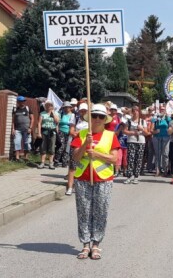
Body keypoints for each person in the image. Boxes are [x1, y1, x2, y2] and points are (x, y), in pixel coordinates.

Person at [71, 103, 120, 260]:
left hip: (103, 179)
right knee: (84, 211)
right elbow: (75, 157)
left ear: (105, 119)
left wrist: (97, 155)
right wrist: (86, 143)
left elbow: (114, 159)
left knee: (100, 211)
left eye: (101, 116)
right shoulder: (82, 134)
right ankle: (85, 244)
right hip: (83, 178)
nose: (97, 119)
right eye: (94, 116)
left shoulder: (111, 135)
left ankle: (96, 244)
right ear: (89, 118)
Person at [66, 103, 88, 196]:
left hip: (86, 144)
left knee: (84, 165)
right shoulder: (75, 118)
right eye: (81, 110)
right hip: (76, 143)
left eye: (84, 111)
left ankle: (82, 185)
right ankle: (70, 187)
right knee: (73, 166)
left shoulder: (91, 120)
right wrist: (79, 132)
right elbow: (71, 131)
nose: (82, 112)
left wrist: (80, 132)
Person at [123, 106, 149, 184]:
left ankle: (136, 176)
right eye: (134, 110)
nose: (135, 112)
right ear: (132, 112)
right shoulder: (129, 121)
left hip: (141, 142)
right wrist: (132, 133)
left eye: (137, 111)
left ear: (139, 112)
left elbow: (147, 133)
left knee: (138, 159)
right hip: (131, 141)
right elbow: (124, 131)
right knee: (130, 159)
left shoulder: (142, 121)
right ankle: (129, 176)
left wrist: (142, 129)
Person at [37, 100, 60, 169]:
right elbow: (39, 123)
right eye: (47, 105)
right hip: (44, 131)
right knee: (43, 147)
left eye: (50, 105)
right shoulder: (42, 113)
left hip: (52, 132)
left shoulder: (56, 113)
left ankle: (51, 163)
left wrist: (53, 113)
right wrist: (39, 133)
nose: (48, 106)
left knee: (52, 147)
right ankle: (42, 162)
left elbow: (57, 121)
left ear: (52, 106)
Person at [150, 105, 171, 177]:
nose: (162, 111)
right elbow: (151, 129)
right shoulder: (155, 118)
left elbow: (170, 127)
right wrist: (155, 131)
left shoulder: (168, 118)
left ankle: (165, 170)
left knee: (165, 154)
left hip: (166, 137)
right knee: (157, 154)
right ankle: (157, 170)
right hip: (157, 138)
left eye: (163, 109)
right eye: (161, 109)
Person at [12, 96, 34, 161]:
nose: (23, 102)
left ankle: (26, 158)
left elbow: (32, 119)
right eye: (21, 101)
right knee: (17, 143)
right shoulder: (15, 109)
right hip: (17, 129)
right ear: (18, 102)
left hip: (26, 129)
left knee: (26, 143)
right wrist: (13, 129)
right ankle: (17, 158)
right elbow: (13, 120)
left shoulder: (28, 108)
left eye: (24, 101)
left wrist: (30, 128)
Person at [54, 101, 75, 168]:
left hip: (69, 133)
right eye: (65, 107)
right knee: (61, 146)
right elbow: (57, 122)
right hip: (61, 132)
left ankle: (64, 162)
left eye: (67, 107)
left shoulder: (73, 115)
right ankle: (56, 161)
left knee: (67, 147)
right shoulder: (61, 114)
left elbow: (73, 124)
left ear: (70, 108)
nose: (66, 109)